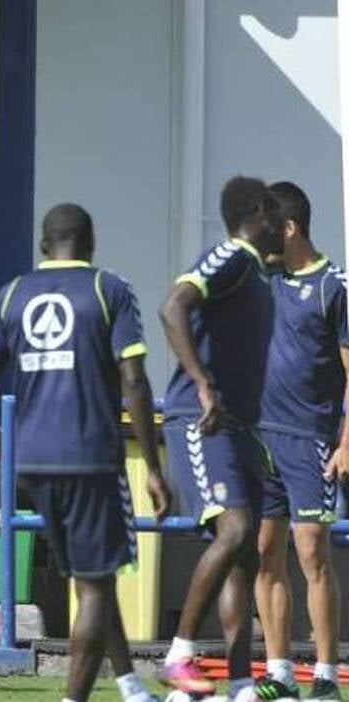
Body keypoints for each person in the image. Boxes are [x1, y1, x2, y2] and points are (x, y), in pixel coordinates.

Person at [0, 204, 170, 702]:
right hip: (90, 457)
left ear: (44, 246)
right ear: (91, 241)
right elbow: (134, 380)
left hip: (32, 461)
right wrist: (154, 469)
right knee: (95, 584)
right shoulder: (108, 289)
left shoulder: (11, 295)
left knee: (94, 576)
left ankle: (131, 685)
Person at [158, 176, 283, 700]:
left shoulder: (258, 273)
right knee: (233, 531)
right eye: (276, 214)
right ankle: (178, 656)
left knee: (244, 556)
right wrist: (202, 384)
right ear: (259, 213)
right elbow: (173, 306)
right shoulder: (231, 255)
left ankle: (239, 682)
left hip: (241, 430)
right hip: (202, 420)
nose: (283, 226)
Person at [252, 182, 347, 701]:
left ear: (289, 229)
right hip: (261, 438)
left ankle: (326, 676)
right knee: (265, 551)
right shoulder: (263, 279)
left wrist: (346, 441)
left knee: (312, 552)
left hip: (311, 439)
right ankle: (280, 672)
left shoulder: (335, 286)